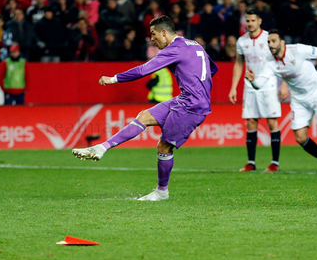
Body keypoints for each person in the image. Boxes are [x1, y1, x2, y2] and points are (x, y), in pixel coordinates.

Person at [72, 16, 218, 201]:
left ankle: (161, 192)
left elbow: (143, 70)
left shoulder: (174, 48)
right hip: (188, 99)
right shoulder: (194, 44)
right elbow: (212, 69)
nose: (152, 39)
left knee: (164, 146)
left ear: (164, 32)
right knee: (144, 116)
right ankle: (102, 147)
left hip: (192, 105)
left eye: (154, 34)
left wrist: (113, 79)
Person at [245, 29, 317, 173]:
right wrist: (252, 81)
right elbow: (259, 84)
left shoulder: (298, 50)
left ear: (282, 42)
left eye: (274, 41)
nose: (271, 44)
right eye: (269, 42)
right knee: (300, 138)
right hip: (299, 99)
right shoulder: (270, 62)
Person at [228, 9, 288, 172]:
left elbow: (281, 59)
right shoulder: (242, 41)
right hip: (250, 86)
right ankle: (251, 163)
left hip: (269, 85)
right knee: (251, 122)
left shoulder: (269, 38)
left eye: (253, 20)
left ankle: (275, 163)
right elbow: (239, 63)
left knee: (271, 121)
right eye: (247, 21)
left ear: (260, 21)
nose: (250, 23)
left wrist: (283, 84)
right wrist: (234, 87)